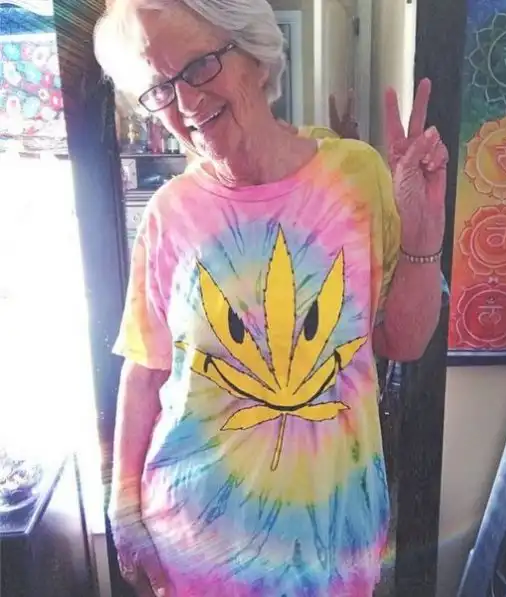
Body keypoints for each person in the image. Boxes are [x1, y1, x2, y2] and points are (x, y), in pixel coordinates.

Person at [93, 1, 448, 596]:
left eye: (199, 66)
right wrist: (123, 504)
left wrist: (422, 234)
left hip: (331, 543)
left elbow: (403, 341)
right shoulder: (169, 213)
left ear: (256, 56)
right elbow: (145, 370)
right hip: (195, 546)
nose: (185, 101)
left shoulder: (356, 177)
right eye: (161, 87)